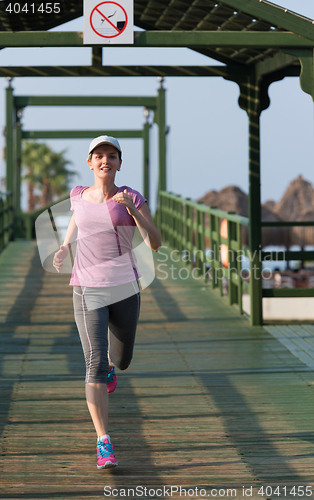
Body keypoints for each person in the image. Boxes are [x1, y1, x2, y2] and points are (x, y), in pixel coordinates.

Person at [53, 135, 161, 469]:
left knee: (121, 359)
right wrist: (65, 245)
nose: (105, 161)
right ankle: (103, 441)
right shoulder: (77, 195)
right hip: (87, 287)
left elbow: (154, 243)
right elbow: (76, 217)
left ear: (119, 163)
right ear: (90, 162)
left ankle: (114, 368)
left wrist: (133, 211)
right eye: (98, 156)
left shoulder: (132, 197)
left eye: (111, 156)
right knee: (94, 363)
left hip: (125, 287)